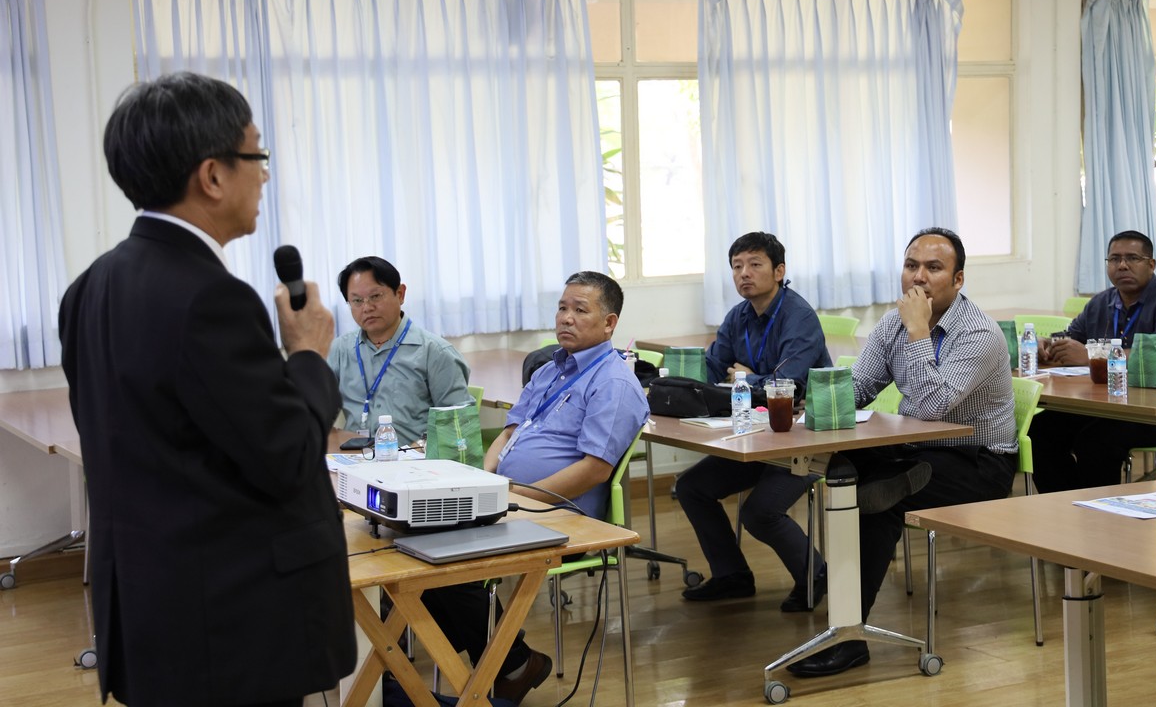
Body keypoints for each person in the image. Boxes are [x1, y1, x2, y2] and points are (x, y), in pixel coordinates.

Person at [58, 72, 355, 707]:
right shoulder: (209, 298)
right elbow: (289, 458)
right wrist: (307, 354)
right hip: (228, 623)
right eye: (257, 155)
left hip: (149, 609)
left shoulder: (91, 286)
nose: (265, 176)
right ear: (213, 175)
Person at [787, 227, 1017, 678]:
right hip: (916, 453)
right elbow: (859, 386)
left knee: (878, 497)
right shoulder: (893, 323)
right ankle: (835, 600)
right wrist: (810, 404)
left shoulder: (978, 333)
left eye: (934, 268)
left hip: (978, 462)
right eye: (911, 265)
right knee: (847, 471)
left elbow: (930, 408)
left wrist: (917, 331)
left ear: (958, 279)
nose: (919, 277)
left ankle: (849, 635)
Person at [415, 271, 650, 705]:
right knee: (416, 539)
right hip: (509, 502)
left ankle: (496, 663)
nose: (566, 318)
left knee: (443, 562)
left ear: (609, 323)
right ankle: (502, 662)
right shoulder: (548, 370)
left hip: (561, 516)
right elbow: (506, 435)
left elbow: (594, 470)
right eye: (562, 307)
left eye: (580, 310)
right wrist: (484, 482)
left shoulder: (614, 383)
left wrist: (515, 497)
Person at [677, 231, 833, 612]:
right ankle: (732, 575)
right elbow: (714, 371)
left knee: (759, 511)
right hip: (758, 437)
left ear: (779, 271)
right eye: (736, 266)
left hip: (805, 440)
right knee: (692, 487)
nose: (743, 273)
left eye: (754, 264)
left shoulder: (799, 317)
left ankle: (815, 575)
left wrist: (746, 378)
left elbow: (789, 384)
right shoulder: (738, 317)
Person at [1032, 230, 1156, 492]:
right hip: (1106, 406)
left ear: (1151, 264)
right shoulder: (1101, 302)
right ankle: (1067, 501)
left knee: (1096, 441)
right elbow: (1072, 338)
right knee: (1041, 430)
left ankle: (1096, 511)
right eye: (1114, 259)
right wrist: (1047, 344)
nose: (1122, 265)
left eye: (1132, 258)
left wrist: (1090, 356)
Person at [327, 255, 472, 444]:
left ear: (400, 294)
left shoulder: (435, 352)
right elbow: (316, 411)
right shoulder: (340, 350)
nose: (367, 307)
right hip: (353, 456)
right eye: (357, 301)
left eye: (375, 296)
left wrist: (418, 449)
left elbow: (459, 425)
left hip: (414, 458)